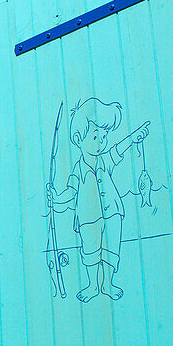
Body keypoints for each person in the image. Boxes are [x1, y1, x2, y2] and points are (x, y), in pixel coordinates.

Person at [47, 98, 148, 302]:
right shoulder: (79, 168)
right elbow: (70, 192)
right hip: (87, 217)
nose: (102, 141)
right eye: (95, 136)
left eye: (104, 136)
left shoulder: (105, 159)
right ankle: (93, 285)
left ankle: (108, 283)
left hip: (112, 213)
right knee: (91, 250)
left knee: (111, 249)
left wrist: (134, 137)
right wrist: (56, 199)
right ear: (79, 139)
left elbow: (120, 148)